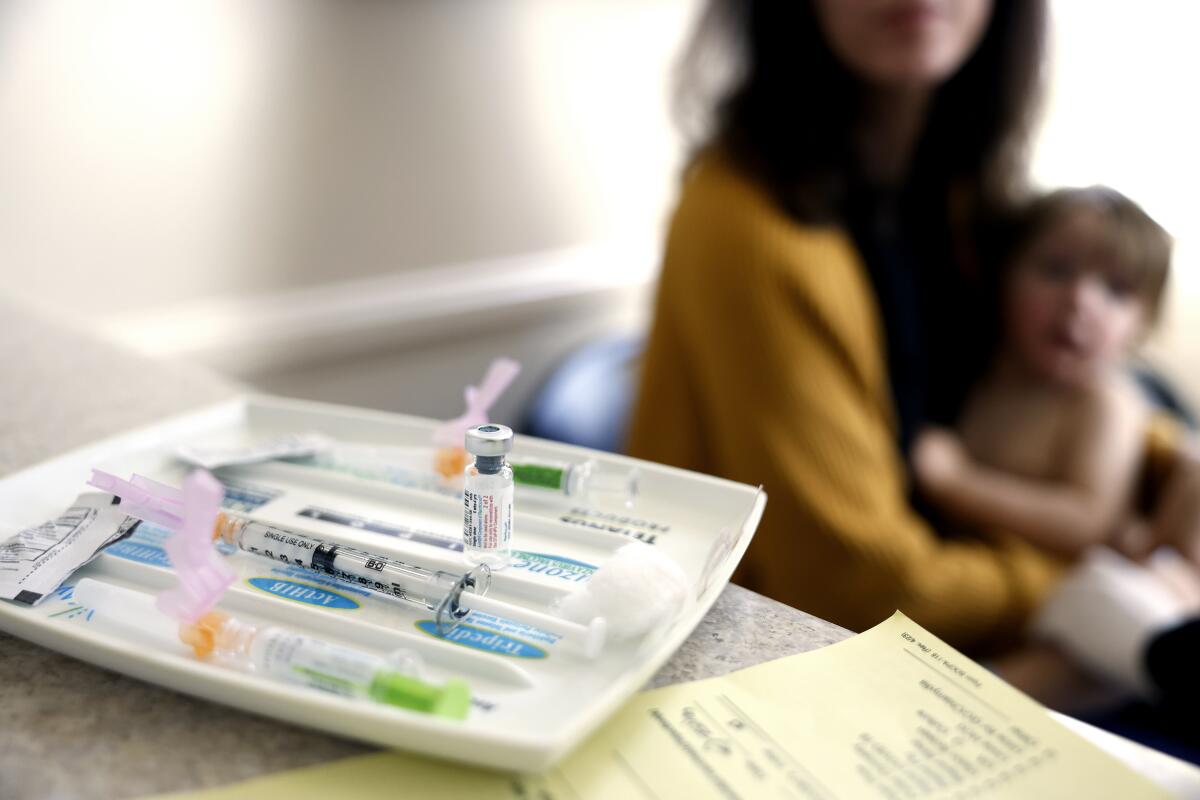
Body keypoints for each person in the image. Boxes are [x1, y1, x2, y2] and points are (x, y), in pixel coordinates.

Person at [626, 0, 1188, 655]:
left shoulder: (958, 186)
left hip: (944, 628)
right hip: (767, 663)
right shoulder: (743, 223)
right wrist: (1090, 571)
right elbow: (859, 590)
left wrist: (1168, 467)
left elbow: (1029, 379)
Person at [912, 187, 1197, 565]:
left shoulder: (1103, 404)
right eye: (1056, 269)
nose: (1080, 299)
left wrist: (957, 483)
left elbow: (1086, 521)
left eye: (1117, 290)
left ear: (1143, 323)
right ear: (1004, 275)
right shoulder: (984, 372)